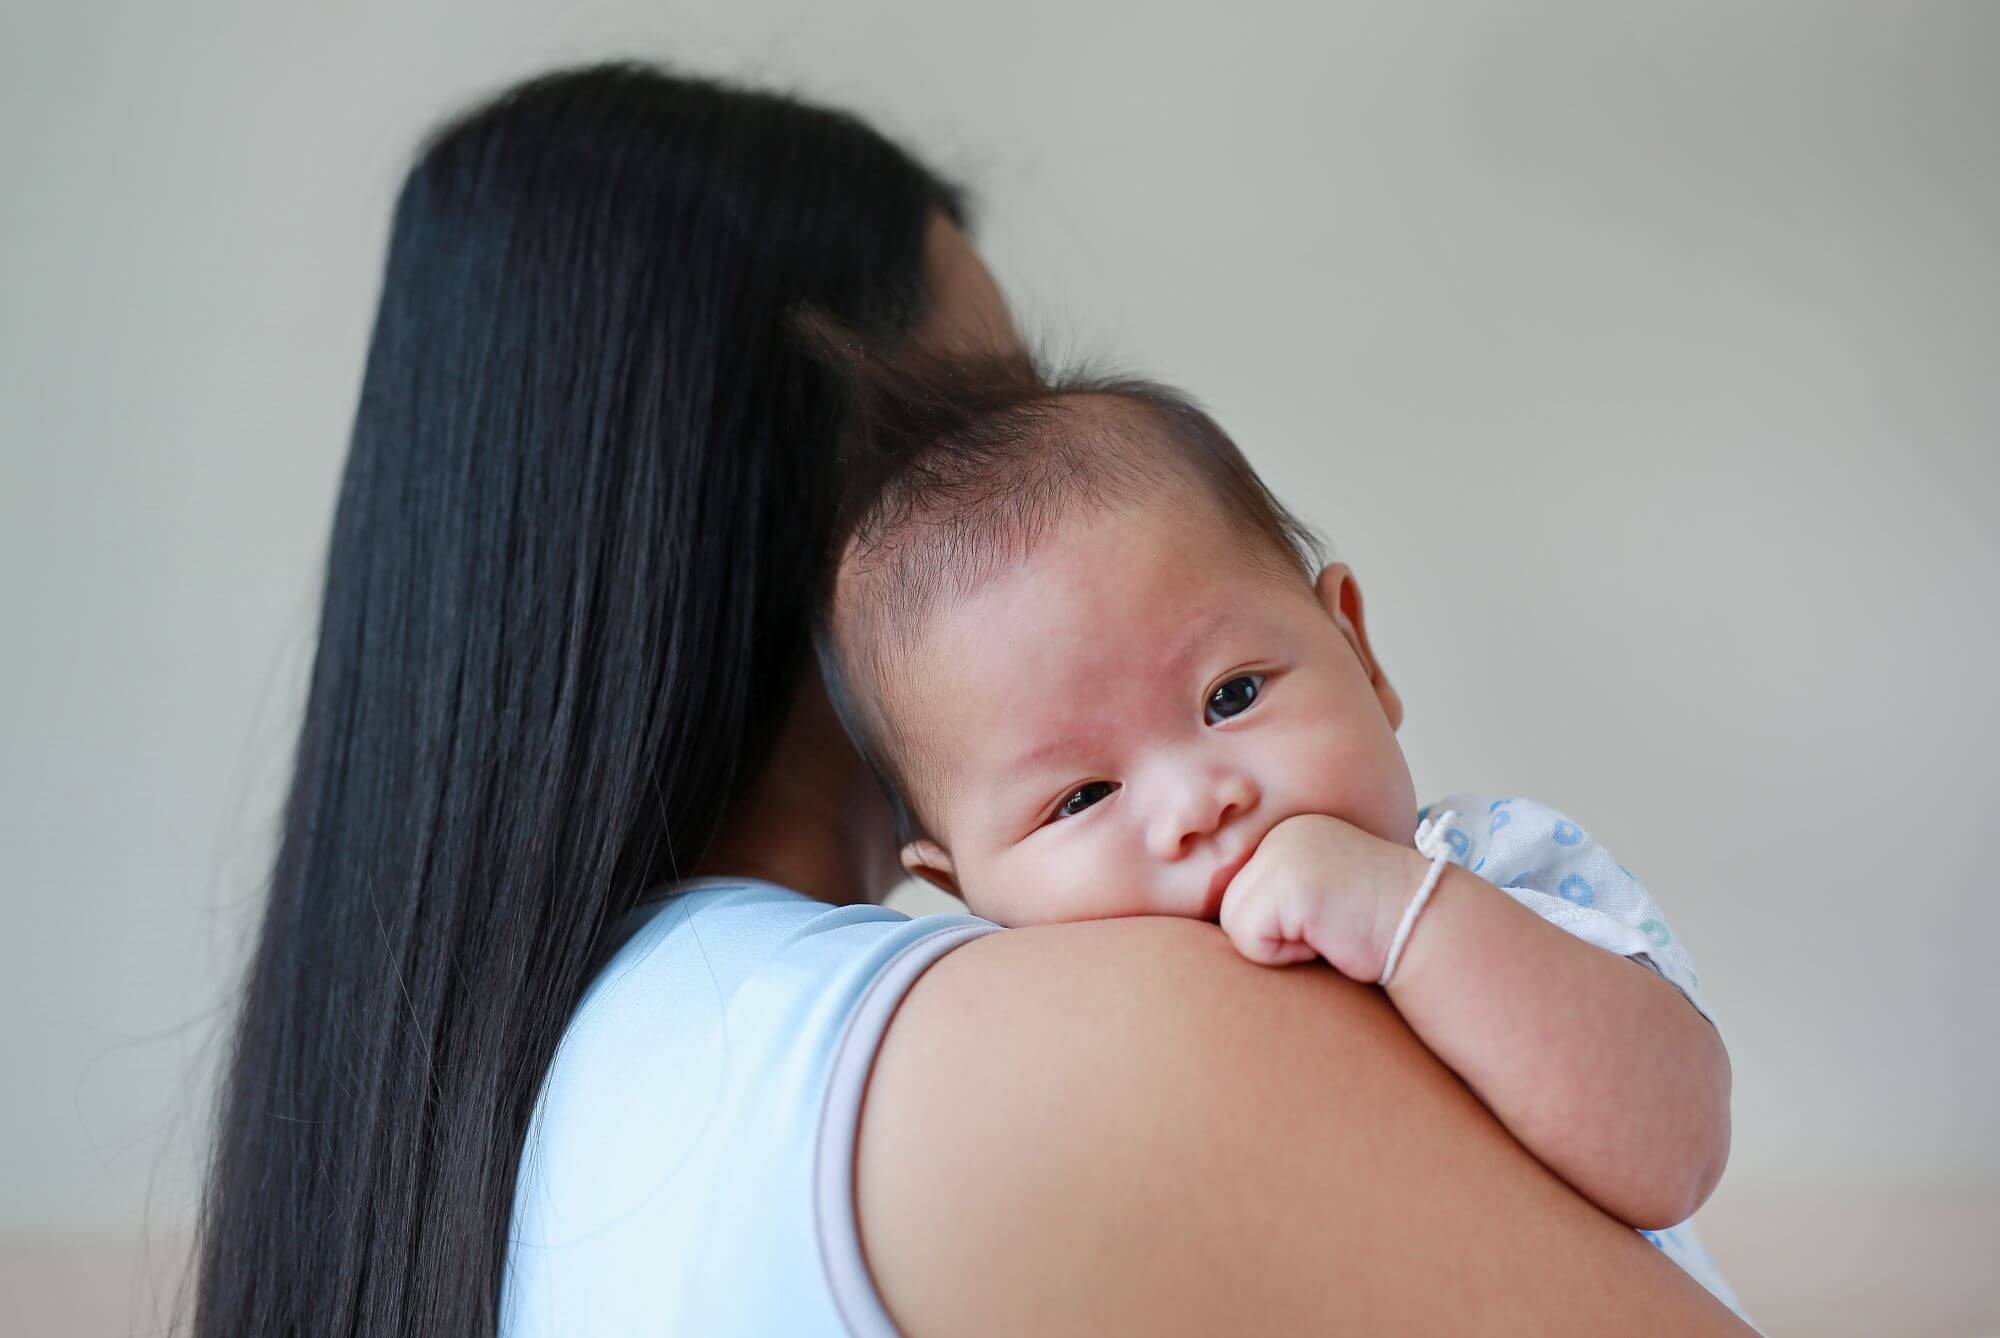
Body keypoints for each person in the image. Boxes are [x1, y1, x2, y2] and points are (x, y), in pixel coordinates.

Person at [191, 63, 1756, 1336]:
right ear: (807, 538)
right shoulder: (1090, 1044)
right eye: (986, 425)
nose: (1194, 801)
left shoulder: (477, 1148)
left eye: (1228, 689)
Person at [813, 353, 1741, 1311]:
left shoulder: (1487, 867)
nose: (1195, 803)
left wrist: (1408, 920)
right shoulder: (1015, 1066)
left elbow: (1677, 1148)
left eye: (1232, 695)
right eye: (1083, 797)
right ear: (963, 889)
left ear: (1356, 649)